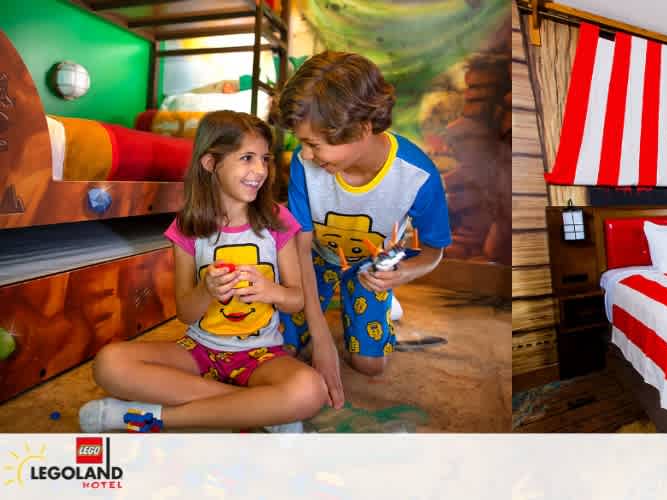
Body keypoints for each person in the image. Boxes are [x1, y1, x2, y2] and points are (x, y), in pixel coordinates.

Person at [78, 111, 326, 433]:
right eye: (247, 158)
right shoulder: (187, 228)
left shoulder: (277, 220)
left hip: (261, 353)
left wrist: (270, 291)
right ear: (210, 163)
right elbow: (186, 313)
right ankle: (256, 408)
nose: (260, 170)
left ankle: (156, 417)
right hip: (197, 352)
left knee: (310, 389)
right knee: (109, 364)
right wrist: (206, 291)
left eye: (264, 159)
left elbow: (296, 299)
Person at [274, 51, 452, 407]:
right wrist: (322, 339)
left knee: (369, 366)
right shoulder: (303, 167)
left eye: (314, 144)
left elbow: (435, 248)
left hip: (369, 268)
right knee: (283, 347)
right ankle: (332, 309)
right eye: (301, 142)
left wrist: (404, 273)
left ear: (361, 128)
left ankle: (387, 303)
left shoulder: (418, 176)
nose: (305, 155)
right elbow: (300, 246)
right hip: (315, 259)